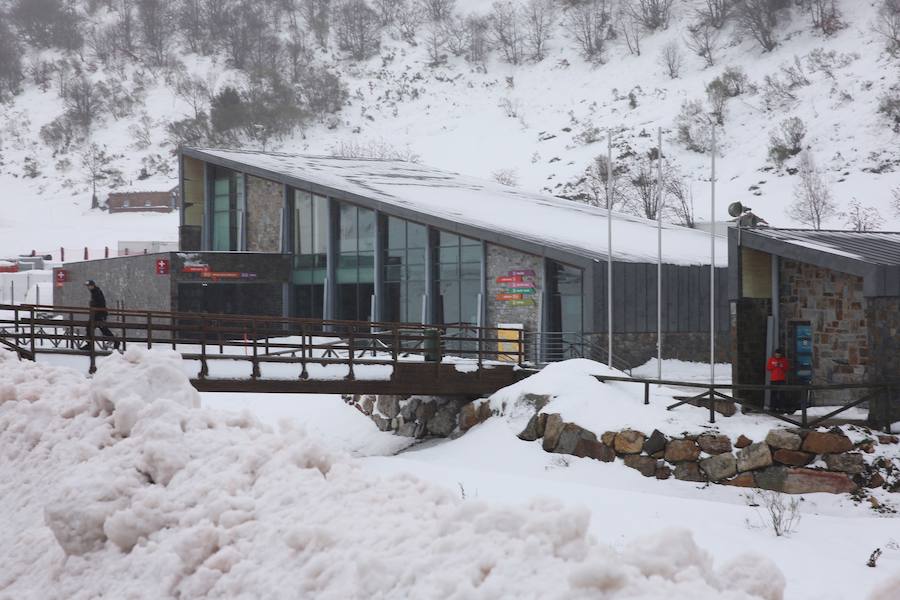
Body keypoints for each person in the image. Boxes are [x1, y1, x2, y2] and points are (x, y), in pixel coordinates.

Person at [80, 280, 119, 350]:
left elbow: (100, 303)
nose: (88, 288)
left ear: (93, 285)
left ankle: (90, 345)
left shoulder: (96, 292)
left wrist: (96, 311)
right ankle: (115, 341)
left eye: (89, 286)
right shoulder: (95, 292)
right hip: (97, 314)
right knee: (96, 329)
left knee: (94, 328)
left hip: (98, 315)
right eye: (88, 286)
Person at [766, 347, 789, 413]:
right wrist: (775, 365)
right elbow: (768, 368)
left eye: (779, 354)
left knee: (782, 394)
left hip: (781, 379)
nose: (777, 355)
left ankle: (781, 407)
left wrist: (781, 366)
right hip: (774, 379)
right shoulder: (771, 360)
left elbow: (786, 368)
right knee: (773, 394)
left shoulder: (784, 360)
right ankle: (773, 407)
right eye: (776, 354)